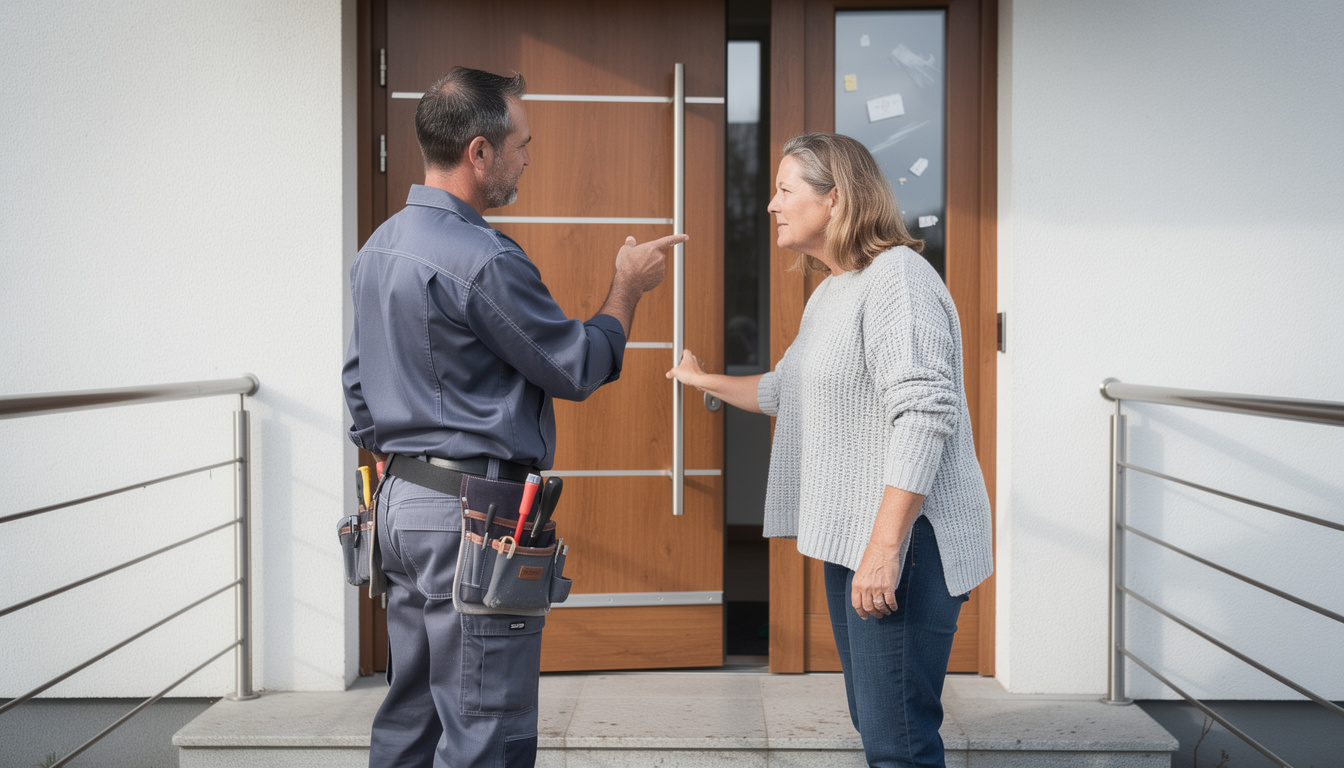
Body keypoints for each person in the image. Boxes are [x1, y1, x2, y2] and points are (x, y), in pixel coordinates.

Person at [343, 66, 685, 768]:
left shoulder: (378, 248)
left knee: (411, 718)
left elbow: (356, 384)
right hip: (473, 517)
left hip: (399, 508)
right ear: (478, 152)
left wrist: (401, 470)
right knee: (485, 731)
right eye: (522, 144)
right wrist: (627, 288)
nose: (529, 158)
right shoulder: (484, 259)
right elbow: (575, 366)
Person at [667, 133, 991, 768]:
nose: (770, 204)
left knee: (898, 740)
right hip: (858, 541)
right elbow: (782, 390)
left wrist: (884, 549)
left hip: (905, 541)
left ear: (835, 198)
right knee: (876, 722)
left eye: (786, 189)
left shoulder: (898, 278)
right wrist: (702, 380)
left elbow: (926, 412)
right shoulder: (832, 292)